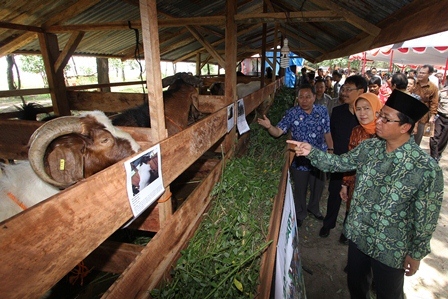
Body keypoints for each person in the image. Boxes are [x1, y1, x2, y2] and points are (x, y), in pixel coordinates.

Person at [287, 89, 444, 299]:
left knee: (388, 293)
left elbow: (426, 218)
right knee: (356, 285)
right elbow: (340, 163)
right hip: (359, 236)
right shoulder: (369, 148)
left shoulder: (425, 168)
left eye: (386, 118)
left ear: (405, 127)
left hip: (391, 247)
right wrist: (311, 152)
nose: (377, 120)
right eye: (380, 115)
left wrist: (415, 254)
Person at [257, 84, 333, 227]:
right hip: (300, 158)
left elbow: (327, 132)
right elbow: (278, 132)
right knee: (300, 187)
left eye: (308, 97)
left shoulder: (322, 111)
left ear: (314, 97)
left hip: (319, 156)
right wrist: (269, 127)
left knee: (318, 185)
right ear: (297, 98)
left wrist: (331, 150)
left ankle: (314, 208)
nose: (304, 100)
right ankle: (300, 213)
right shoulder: (292, 113)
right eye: (301, 97)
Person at [319, 75, 367, 239]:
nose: (344, 92)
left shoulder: (366, 116)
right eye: (343, 88)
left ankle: (347, 230)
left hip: (359, 165)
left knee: (353, 198)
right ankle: (328, 224)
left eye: (348, 89)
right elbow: (330, 133)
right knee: (334, 193)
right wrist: (330, 150)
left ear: (361, 91)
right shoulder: (338, 111)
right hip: (339, 162)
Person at [339, 93, 383, 244]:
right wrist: (345, 184)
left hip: (380, 192)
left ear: (377, 110)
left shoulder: (386, 132)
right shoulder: (357, 131)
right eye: (358, 109)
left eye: (366, 108)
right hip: (357, 186)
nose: (362, 113)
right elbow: (350, 161)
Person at [413, 65, 439, 145]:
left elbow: (434, 103)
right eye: (419, 72)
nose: (420, 74)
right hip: (408, 114)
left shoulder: (433, 88)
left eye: (423, 73)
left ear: (430, 74)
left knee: (416, 139)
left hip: (422, 117)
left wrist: (432, 116)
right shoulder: (413, 83)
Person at [429, 88, 448, 162]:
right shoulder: (442, 92)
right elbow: (435, 103)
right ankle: (433, 156)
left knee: (443, 139)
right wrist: (432, 116)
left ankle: (438, 154)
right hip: (440, 116)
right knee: (434, 136)